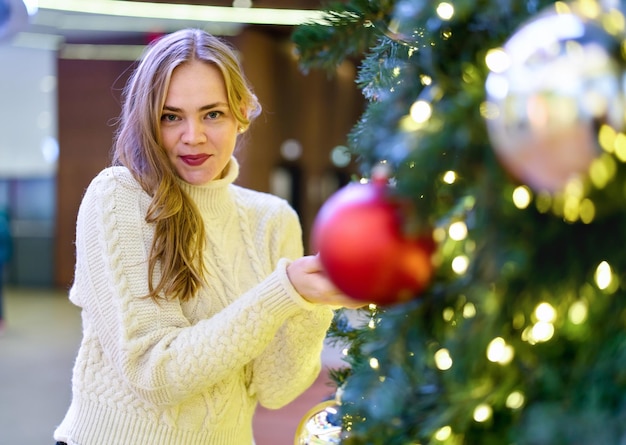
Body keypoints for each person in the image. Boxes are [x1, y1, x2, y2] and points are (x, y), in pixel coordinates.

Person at [54, 28, 361, 445]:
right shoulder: (120, 196)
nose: (193, 136)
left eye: (212, 114)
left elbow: (274, 389)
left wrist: (310, 302)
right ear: (147, 120)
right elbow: (154, 374)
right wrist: (281, 292)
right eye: (171, 116)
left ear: (241, 112)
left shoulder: (271, 219)